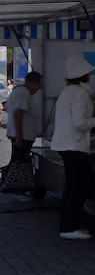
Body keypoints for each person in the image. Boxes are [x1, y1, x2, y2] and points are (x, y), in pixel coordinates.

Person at [51, 55, 95, 240]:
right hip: (74, 146)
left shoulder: (69, 91)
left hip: (66, 144)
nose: (90, 74)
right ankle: (69, 228)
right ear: (83, 74)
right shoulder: (79, 93)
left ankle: (67, 225)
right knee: (78, 187)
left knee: (72, 186)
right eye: (88, 72)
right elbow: (79, 122)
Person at [3, 71, 44, 201]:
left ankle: (18, 189)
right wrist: (19, 137)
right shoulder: (23, 93)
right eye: (39, 84)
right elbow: (17, 114)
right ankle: (18, 190)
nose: (39, 88)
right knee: (20, 164)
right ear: (33, 82)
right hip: (21, 136)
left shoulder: (20, 92)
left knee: (19, 162)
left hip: (22, 135)